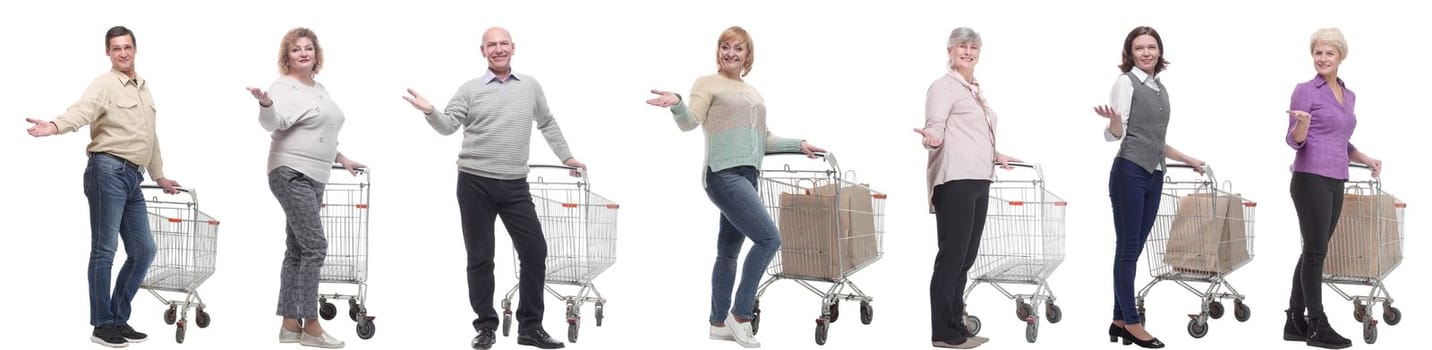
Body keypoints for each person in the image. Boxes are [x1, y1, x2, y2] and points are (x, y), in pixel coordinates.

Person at [646, 25, 827, 349]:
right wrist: (676, 103)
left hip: (748, 176)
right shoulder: (707, 83)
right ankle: (741, 316)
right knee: (770, 238)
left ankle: (718, 323)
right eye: (725, 47)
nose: (730, 53)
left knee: (728, 252)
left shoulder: (753, 92)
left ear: (748, 55)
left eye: (738, 48)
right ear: (718, 51)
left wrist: (798, 144)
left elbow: (764, 140)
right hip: (723, 175)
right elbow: (690, 122)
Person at [401, 26, 580, 350]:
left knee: (535, 252)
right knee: (481, 257)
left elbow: (547, 122)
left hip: (515, 185)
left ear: (513, 48)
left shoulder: (530, 86)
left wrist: (566, 156)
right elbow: (448, 126)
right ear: (482, 51)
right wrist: (430, 111)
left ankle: (530, 327)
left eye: (503, 44)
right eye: (491, 45)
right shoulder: (469, 89)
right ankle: (485, 327)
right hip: (474, 183)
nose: (498, 49)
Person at [23, 25, 181, 348]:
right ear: (108, 53)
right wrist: (54, 126)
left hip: (133, 177)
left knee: (144, 250)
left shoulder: (143, 88)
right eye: (116, 48)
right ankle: (102, 324)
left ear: (135, 49)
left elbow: (150, 136)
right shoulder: (105, 85)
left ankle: (119, 318)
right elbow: (82, 112)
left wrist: (159, 175)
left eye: (127, 47)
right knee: (105, 250)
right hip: (107, 170)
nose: (123, 53)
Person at [245, 27, 364, 349]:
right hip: (290, 172)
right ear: (287, 57)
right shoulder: (282, 87)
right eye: (296, 49)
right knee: (315, 247)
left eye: (308, 48)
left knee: (298, 250)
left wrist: (342, 158)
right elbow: (274, 123)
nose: (303, 53)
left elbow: (321, 129)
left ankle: (288, 325)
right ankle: (311, 324)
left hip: (316, 174)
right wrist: (266, 104)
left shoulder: (320, 89)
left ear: (316, 54)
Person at [1092, 26, 1205, 349]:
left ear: (1159, 51)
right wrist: (1112, 121)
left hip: (1155, 174)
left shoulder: (1158, 87)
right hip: (1129, 172)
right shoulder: (1125, 83)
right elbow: (1117, 134)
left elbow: (1155, 139)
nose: (1145, 53)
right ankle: (1131, 322)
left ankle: (1117, 319)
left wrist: (1188, 158)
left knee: (1134, 250)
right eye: (1139, 48)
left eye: (1151, 47)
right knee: (1127, 249)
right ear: (1130, 53)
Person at [915, 27, 1020, 349]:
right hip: (956, 179)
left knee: (966, 257)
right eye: (962, 46)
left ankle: (957, 323)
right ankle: (943, 333)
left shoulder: (973, 89)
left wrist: (995, 154)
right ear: (949, 50)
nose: (968, 52)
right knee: (952, 257)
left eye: (974, 47)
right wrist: (932, 139)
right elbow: (936, 126)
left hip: (979, 177)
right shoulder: (943, 87)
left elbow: (973, 134)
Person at [1281, 27, 1381, 350]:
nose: (1322, 59)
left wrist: (1363, 157)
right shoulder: (1305, 90)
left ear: (1341, 57)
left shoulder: (1348, 95)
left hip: (1337, 179)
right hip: (1310, 179)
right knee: (1315, 252)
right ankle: (1316, 325)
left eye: (1329, 53)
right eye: (1318, 53)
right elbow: (1293, 140)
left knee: (1314, 248)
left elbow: (1339, 138)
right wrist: (1302, 127)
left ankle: (1294, 321)